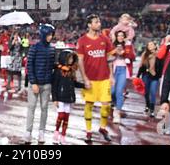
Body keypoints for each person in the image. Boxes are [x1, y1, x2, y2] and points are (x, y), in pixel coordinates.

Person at [77, 14, 115, 143]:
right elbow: (80, 61)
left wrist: (111, 75)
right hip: (90, 79)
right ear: (89, 25)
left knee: (106, 105)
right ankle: (88, 131)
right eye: (96, 22)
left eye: (99, 21)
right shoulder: (82, 41)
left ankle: (103, 128)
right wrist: (84, 78)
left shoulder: (105, 39)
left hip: (104, 78)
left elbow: (110, 58)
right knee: (89, 104)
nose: (99, 24)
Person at [24, 24, 55, 145]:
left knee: (44, 109)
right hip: (35, 84)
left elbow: (52, 66)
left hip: (47, 84)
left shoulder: (52, 49)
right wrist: (34, 83)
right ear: (43, 35)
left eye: (51, 34)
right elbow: (29, 66)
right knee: (31, 108)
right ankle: (28, 132)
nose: (50, 37)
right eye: (48, 34)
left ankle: (42, 131)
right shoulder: (34, 48)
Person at [51, 50, 84, 144]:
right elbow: (54, 85)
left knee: (66, 117)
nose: (71, 60)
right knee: (61, 115)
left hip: (69, 98)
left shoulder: (72, 70)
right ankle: (56, 131)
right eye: (69, 58)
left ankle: (63, 135)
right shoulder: (58, 71)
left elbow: (74, 83)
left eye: (72, 58)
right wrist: (54, 98)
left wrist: (84, 86)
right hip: (60, 97)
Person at [110, 31, 136, 123]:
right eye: (118, 35)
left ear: (124, 37)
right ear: (116, 37)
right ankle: (113, 104)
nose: (120, 37)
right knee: (112, 92)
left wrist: (124, 52)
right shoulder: (112, 44)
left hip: (124, 70)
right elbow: (108, 56)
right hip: (113, 70)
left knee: (119, 91)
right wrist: (115, 51)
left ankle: (117, 113)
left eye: (122, 35)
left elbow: (133, 56)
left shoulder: (128, 45)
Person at [137, 41, 162, 117]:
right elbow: (141, 66)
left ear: (155, 46)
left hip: (155, 77)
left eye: (151, 44)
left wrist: (158, 75)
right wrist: (138, 76)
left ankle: (152, 109)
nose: (150, 46)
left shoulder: (159, 54)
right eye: (148, 45)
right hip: (146, 76)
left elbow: (161, 66)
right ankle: (147, 104)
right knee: (146, 92)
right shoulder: (145, 54)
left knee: (153, 93)